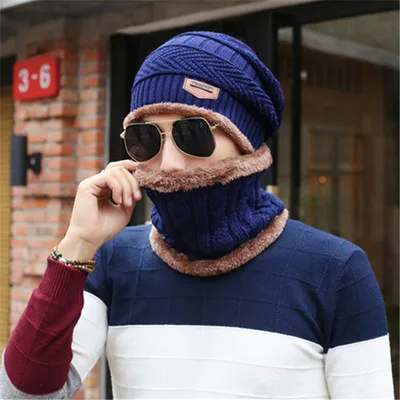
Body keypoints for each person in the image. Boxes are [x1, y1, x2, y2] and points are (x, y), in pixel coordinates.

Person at [0, 31, 394, 399]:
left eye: (193, 133)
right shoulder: (113, 259)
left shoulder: (335, 270)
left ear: (246, 142)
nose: (169, 163)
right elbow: (23, 396)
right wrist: (79, 243)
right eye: (145, 138)